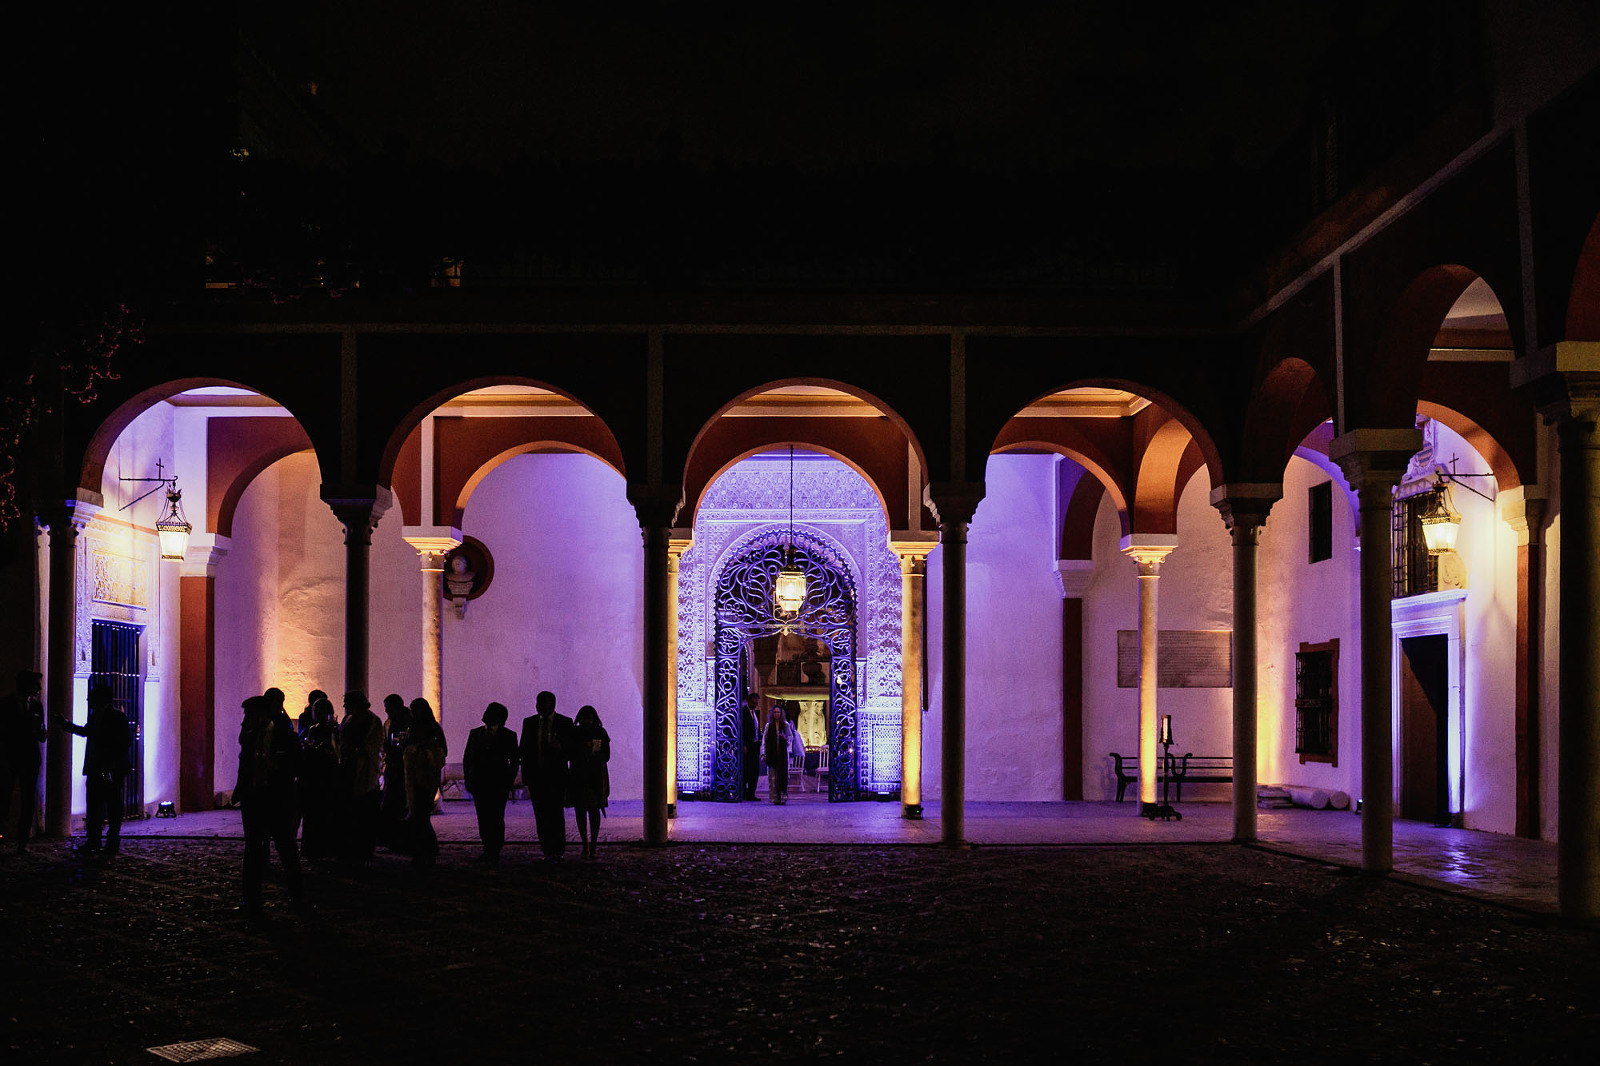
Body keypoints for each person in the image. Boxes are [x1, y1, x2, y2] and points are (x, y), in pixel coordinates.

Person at [234, 693, 304, 912]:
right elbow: (244, 765)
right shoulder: (249, 736)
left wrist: (278, 769)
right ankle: (251, 900)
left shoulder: (285, 737)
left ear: (262, 715)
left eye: (249, 714)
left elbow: (298, 766)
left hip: (277, 800)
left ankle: (299, 898)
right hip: (254, 800)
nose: (245, 719)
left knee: (287, 850)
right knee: (253, 850)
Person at [54, 684, 132, 851]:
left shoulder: (116, 717)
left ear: (101, 699)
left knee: (109, 802)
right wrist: (66, 724)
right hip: (98, 768)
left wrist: (109, 760)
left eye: (92, 697)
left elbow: (125, 741)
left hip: (107, 769)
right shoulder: (98, 715)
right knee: (96, 803)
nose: (89, 700)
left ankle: (109, 840)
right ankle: (95, 839)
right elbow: (86, 732)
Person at [518, 690, 572, 861]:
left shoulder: (565, 723)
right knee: (540, 814)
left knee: (556, 813)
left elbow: (572, 749)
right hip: (537, 777)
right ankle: (547, 849)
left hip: (556, 777)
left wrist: (561, 747)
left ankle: (558, 848)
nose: (539, 706)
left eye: (542, 703)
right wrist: (526, 776)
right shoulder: (529, 723)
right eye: (538, 703)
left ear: (553, 705)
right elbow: (524, 750)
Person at [463, 702, 518, 863]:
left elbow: (514, 761)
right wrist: (468, 778)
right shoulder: (475, 734)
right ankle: (488, 846)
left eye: (489, 711)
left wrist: (508, 782)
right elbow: (467, 758)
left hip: (498, 784)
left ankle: (494, 848)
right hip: (479, 783)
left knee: (496, 816)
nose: (485, 714)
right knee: (483, 816)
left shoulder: (509, 736)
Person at [0, 670, 46, 852]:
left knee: (28, 800)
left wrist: (42, 734)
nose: (39, 688)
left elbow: (41, 731)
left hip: (30, 758)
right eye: (35, 684)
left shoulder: (37, 706)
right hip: (9, 757)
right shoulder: (4, 705)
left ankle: (22, 841)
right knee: (4, 798)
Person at [337, 690, 384, 863]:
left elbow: (373, 746)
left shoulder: (372, 721)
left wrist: (355, 749)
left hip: (364, 771)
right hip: (349, 769)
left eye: (347, 703)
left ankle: (364, 851)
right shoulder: (348, 720)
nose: (345, 707)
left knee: (365, 814)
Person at [403, 697, 447, 867]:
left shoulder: (432, 728)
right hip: (413, 774)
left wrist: (421, 748)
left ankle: (426, 849)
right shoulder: (413, 727)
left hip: (427, 776)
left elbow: (443, 749)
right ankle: (425, 849)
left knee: (421, 814)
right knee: (418, 814)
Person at [298, 695, 340, 860]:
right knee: (314, 814)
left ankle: (326, 848)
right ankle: (314, 849)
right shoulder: (313, 729)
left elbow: (337, 751)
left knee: (326, 813)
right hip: (316, 775)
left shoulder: (334, 730)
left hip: (328, 775)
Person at [567, 705, 610, 861]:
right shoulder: (597, 732)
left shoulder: (577, 733)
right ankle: (588, 844)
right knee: (588, 811)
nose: (586, 722)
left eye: (588, 719)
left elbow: (606, 755)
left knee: (589, 811)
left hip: (590, 777)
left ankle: (590, 844)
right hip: (586, 777)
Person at [378, 694, 411, 850]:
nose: (386, 711)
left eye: (388, 708)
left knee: (400, 803)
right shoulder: (388, 722)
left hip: (403, 767)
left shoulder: (408, 721)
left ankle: (400, 839)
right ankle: (393, 839)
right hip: (392, 766)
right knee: (391, 802)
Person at [762, 706, 797, 805]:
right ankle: (774, 797)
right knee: (773, 776)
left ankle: (782, 796)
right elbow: (765, 740)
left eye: (778, 712)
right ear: (772, 714)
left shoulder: (785, 725)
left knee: (782, 775)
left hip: (782, 754)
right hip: (772, 753)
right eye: (775, 712)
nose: (776, 714)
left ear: (781, 714)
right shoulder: (769, 726)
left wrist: (785, 738)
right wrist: (763, 753)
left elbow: (790, 737)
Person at [740, 694, 762, 801]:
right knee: (746, 770)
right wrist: (743, 744)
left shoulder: (755, 713)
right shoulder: (743, 712)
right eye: (754, 703)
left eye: (756, 703)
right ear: (749, 701)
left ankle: (751, 793)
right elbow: (742, 730)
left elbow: (756, 728)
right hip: (747, 746)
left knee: (755, 770)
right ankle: (744, 793)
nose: (755, 705)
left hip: (755, 745)